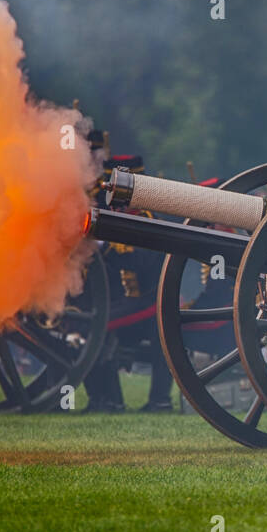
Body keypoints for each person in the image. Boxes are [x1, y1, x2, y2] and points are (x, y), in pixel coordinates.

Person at [85, 153, 174, 413]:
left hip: (149, 302)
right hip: (128, 302)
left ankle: (113, 402)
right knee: (89, 322)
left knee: (97, 326)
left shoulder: (146, 220)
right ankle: (107, 400)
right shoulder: (122, 217)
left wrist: (104, 249)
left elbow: (140, 263)